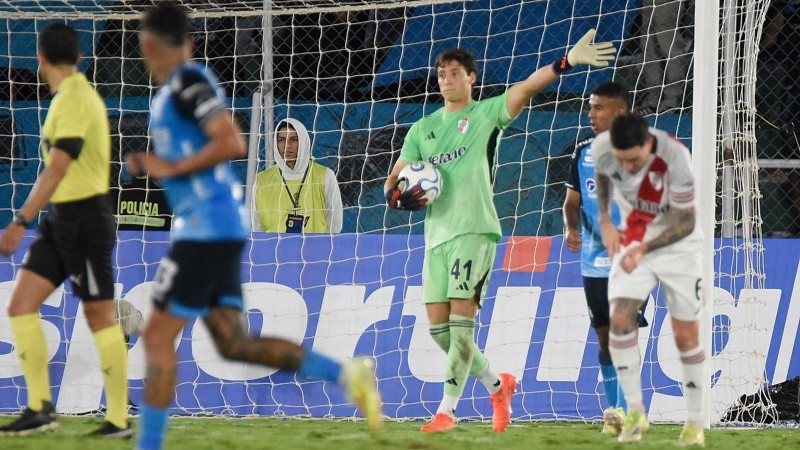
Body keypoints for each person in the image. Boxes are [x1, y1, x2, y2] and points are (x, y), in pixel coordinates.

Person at [128, 4, 381, 449]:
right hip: (212, 227)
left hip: (207, 227)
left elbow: (232, 141)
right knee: (233, 344)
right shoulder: (172, 91)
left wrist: (169, 168)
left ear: (147, 45)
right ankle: (345, 373)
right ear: (188, 41)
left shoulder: (187, 83)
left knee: (156, 336)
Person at [384, 31, 616, 432]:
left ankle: (446, 411)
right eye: (441, 73)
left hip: (474, 231)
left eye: (455, 73)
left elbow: (526, 87)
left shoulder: (486, 114)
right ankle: (498, 384)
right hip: (435, 238)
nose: (446, 79)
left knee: (460, 328)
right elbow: (394, 182)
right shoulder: (421, 130)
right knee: (440, 333)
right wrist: (397, 196)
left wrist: (567, 62)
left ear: (471, 78)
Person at [0, 24, 131, 438]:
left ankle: (118, 418)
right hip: (61, 221)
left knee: (98, 316)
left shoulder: (75, 97)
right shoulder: (66, 98)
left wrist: (19, 222)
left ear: (38, 57)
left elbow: (58, 166)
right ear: (78, 55)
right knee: (21, 306)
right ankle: (41, 408)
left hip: (87, 221)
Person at [594, 112, 706, 445]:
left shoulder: (676, 158)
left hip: (679, 247)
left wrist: (644, 248)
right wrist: (604, 221)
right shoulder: (603, 149)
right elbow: (602, 176)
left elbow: (686, 221)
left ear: (648, 145)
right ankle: (636, 414)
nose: (627, 168)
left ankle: (695, 424)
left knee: (686, 337)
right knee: (619, 318)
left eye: (635, 160)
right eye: (621, 160)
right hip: (634, 242)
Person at [562, 82, 649, 434]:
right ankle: (614, 411)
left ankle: (632, 413)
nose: (591, 114)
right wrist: (570, 228)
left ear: (620, 112)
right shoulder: (582, 152)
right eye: (590, 107)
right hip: (593, 260)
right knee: (603, 336)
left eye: (599, 108)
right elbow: (572, 201)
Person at [254, 119, 343, 233]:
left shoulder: (325, 176)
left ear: (303, 141)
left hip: (315, 249)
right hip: (275, 249)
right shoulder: (261, 180)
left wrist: (321, 247)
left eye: (294, 139)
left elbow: (335, 224)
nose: (287, 146)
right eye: (281, 140)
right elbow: (257, 227)